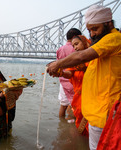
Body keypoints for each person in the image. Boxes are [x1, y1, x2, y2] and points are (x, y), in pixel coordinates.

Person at [47, 5, 121, 150]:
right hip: (93, 111)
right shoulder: (99, 46)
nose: (92, 34)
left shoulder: (114, 38)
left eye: (95, 29)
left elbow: (80, 57)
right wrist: (60, 71)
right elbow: (75, 70)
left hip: (104, 114)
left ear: (109, 23)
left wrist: (57, 64)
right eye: (89, 30)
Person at [58, 35, 91, 136]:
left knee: (92, 127)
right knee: (81, 128)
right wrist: (61, 73)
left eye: (77, 44)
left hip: (91, 99)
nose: (75, 48)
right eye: (73, 46)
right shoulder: (76, 60)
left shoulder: (93, 59)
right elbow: (70, 73)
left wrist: (84, 69)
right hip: (79, 98)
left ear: (85, 42)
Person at [56, 28, 82, 118]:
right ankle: (72, 126)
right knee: (74, 105)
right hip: (74, 81)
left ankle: (62, 125)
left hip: (62, 81)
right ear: (76, 37)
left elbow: (58, 65)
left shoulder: (60, 49)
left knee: (63, 105)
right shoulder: (77, 48)